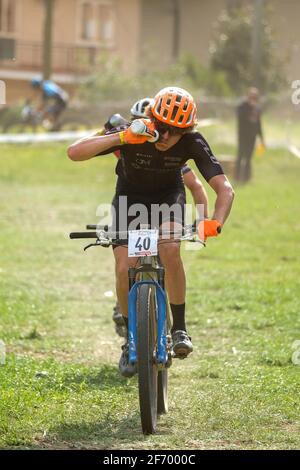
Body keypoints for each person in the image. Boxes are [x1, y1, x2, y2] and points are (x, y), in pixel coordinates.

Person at [68, 86, 235, 377]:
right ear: (151, 119)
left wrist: (214, 222)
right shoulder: (133, 132)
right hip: (128, 200)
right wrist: (122, 137)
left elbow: (224, 189)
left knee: (170, 247)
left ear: (188, 130)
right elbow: (74, 153)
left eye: (175, 131)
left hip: (168, 198)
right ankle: (130, 338)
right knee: (124, 267)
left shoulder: (192, 141)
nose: (166, 136)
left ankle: (180, 328)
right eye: (162, 127)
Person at [98, 98, 210, 337]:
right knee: (125, 264)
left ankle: (172, 320)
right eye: (136, 122)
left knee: (167, 251)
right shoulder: (126, 138)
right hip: (132, 206)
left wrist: (202, 220)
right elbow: (91, 143)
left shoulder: (170, 157)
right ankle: (126, 304)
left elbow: (197, 188)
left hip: (163, 210)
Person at [235, 87, 265, 182]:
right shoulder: (242, 107)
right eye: (252, 96)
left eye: (255, 96)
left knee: (248, 158)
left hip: (252, 137)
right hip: (243, 136)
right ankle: (237, 177)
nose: (253, 98)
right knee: (240, 156)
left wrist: (262, 138)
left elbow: (258, 124)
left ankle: (246, 178)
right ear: (248, 96)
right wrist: (250, 109)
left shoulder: (257, 109)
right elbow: (241, 119)